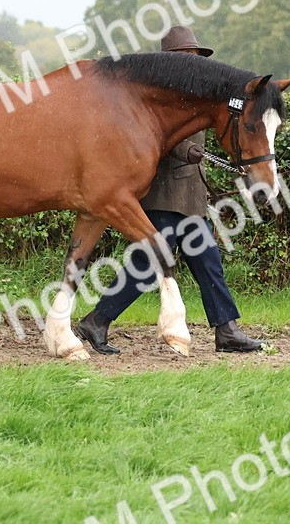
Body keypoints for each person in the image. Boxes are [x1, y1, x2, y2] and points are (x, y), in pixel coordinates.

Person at [74, 25, 265, 354]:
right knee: (148, 266)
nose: (193, 61)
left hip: (190, 198)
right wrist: (182, 151)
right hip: (163, 197)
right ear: (172, 59)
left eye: (195, 56)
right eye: (186, 56)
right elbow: (150, 136)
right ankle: (96, 321)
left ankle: (226, 330)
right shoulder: (159, 90)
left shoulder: (200, 92)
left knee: (208, 263)